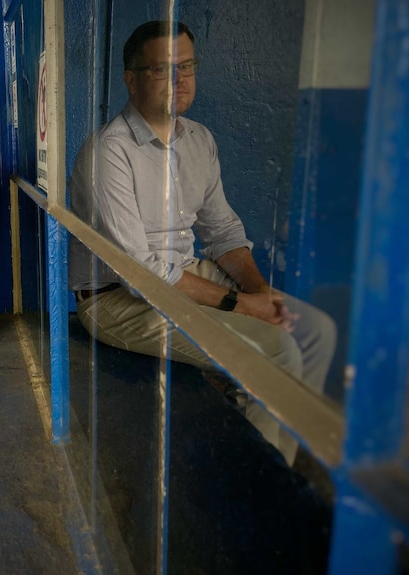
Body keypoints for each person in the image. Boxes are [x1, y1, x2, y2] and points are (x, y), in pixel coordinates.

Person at [69, 20, 336, 466]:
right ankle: (255, 484)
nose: (180, 80)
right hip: (116, 300)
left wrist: (257, 290)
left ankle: (274, 461)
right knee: (277, 349)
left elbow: (223, 231)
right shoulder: (107, 152)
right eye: (162, 70)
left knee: (315, 332)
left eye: (187, 66)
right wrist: (242, 306)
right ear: (130, 80)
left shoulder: (199, 140)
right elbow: (142, 276)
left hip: (185, 277)